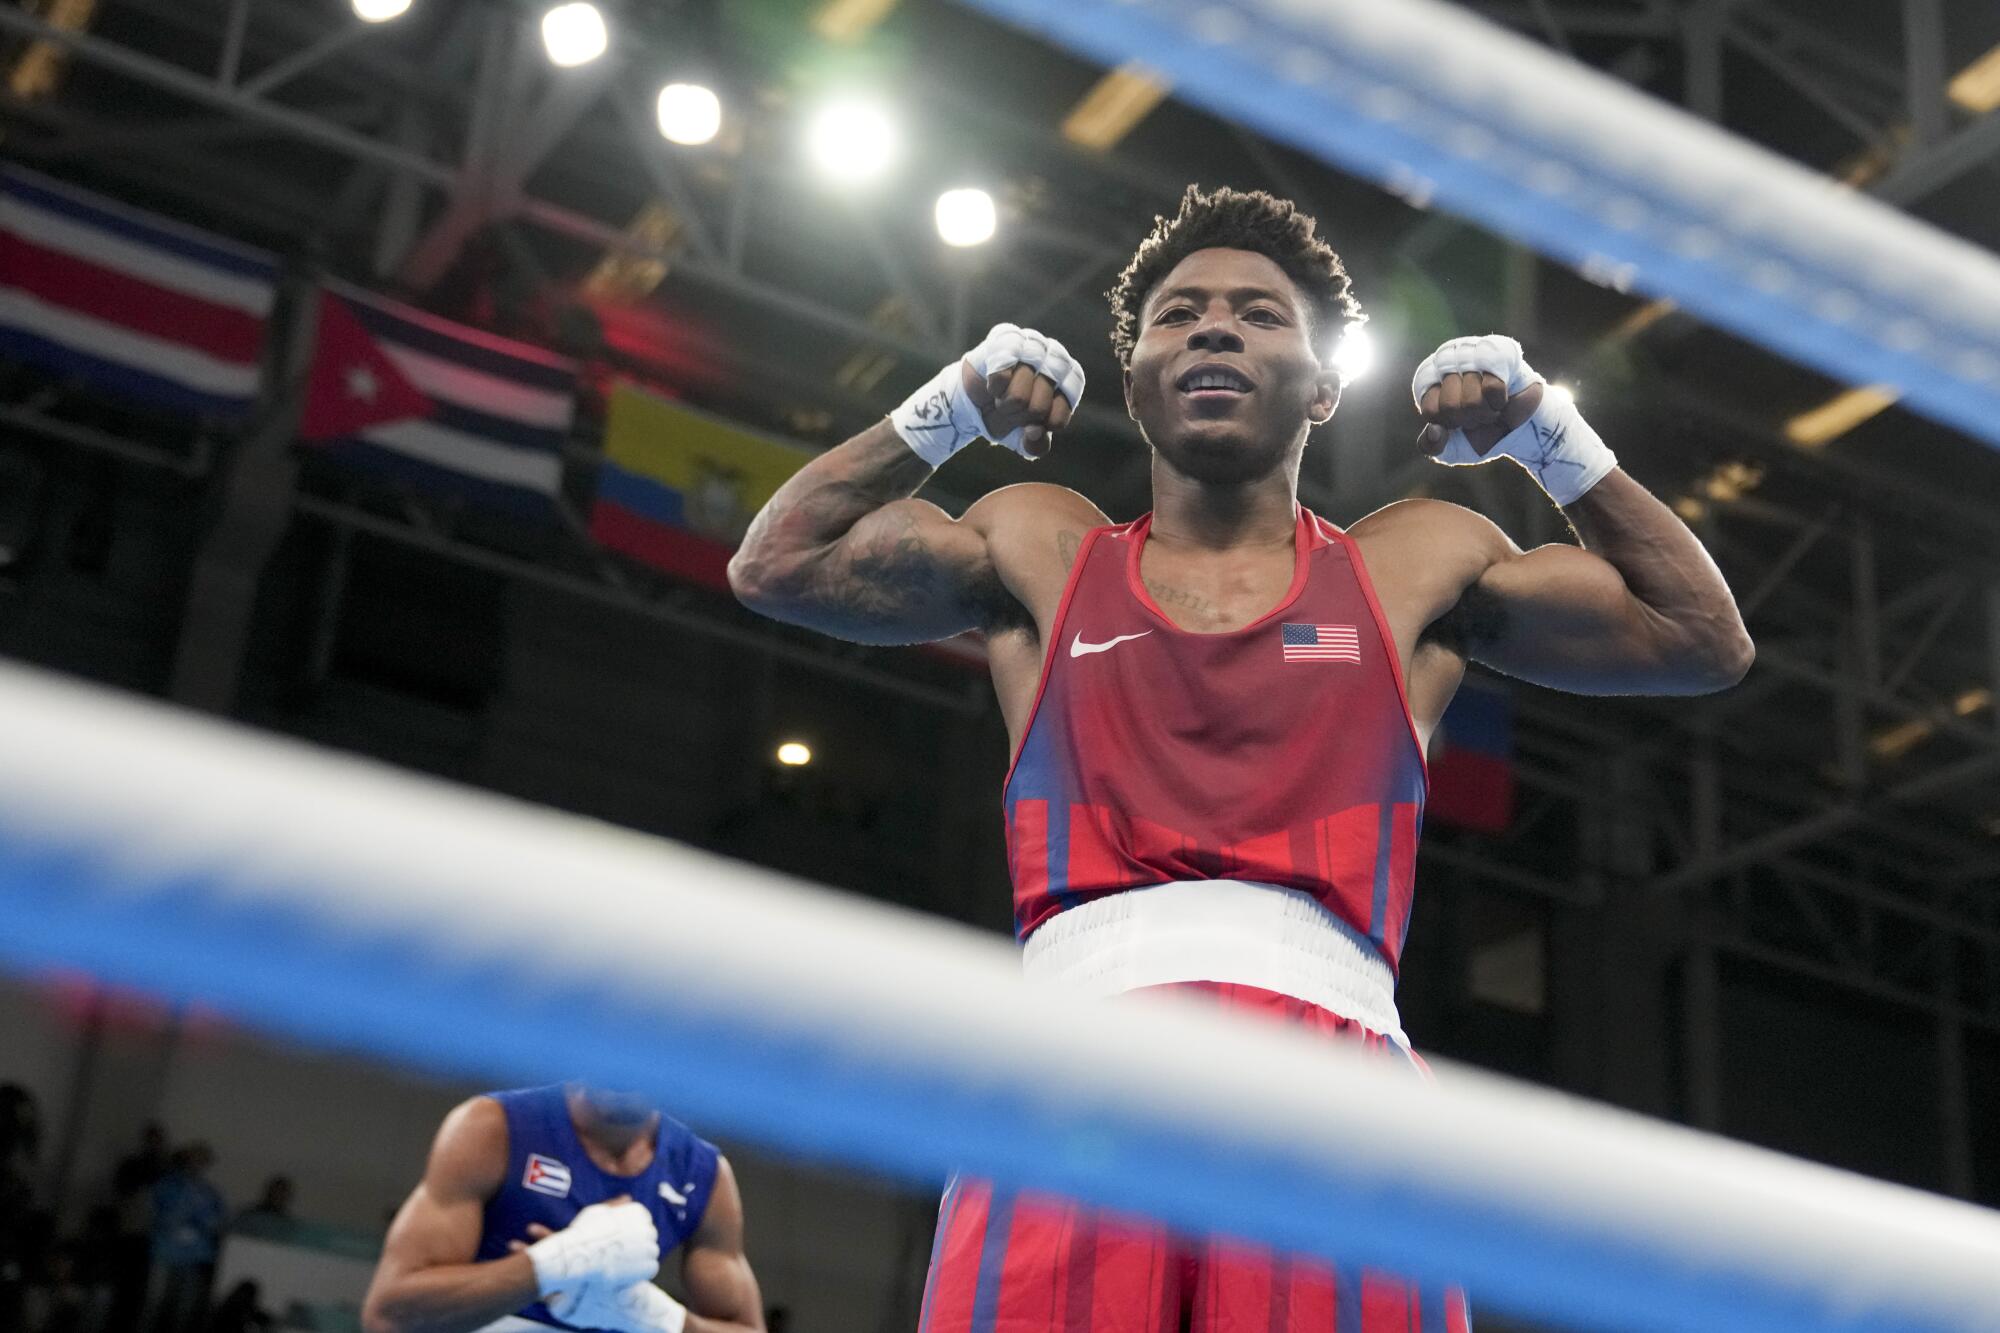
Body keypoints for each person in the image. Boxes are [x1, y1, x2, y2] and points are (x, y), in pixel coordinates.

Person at [728, 185, 1754, 1331]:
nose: (1213, 327)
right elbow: (775, 566)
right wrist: (946, 408)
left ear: (1322, 388)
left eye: (1259, 315)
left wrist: (1546, 438)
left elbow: (1699, 641)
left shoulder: (1411, 563)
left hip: (1330, 1079)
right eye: (1179, 314)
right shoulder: (1041, 547)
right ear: (1133, 384)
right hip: (1071, 1068)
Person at [362, 1084, 763, 1333]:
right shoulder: (493, 1128)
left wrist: (651, 1317)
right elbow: (388, 1316)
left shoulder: (702, 1175)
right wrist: (556, 1263)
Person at [144, 1143, 225, 1333]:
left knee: (184, 1309)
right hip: (165, 1253)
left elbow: (218, 1222)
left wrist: (203, 1219)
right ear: (186, 1159)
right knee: (154, 1305)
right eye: (195, 1158)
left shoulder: (210, 1193)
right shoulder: (167, 1184)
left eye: (203, 1160)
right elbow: (161, 1214)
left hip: (193, 1258)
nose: (198, 1164)